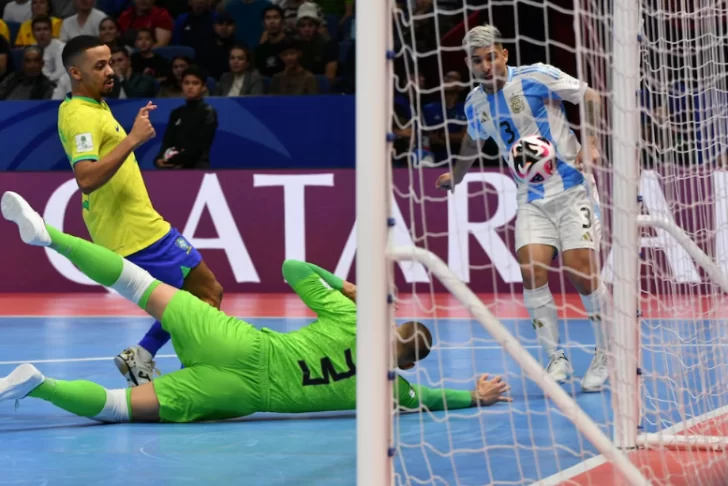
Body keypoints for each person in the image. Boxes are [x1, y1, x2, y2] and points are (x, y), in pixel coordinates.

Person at [0, 191, 512, 423]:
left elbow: (291, 267)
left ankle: (48, 235)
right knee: (118, 408)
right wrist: (476, 395)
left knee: (138, 283)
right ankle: (40, 386)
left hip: (241, 343)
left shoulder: (356, 317)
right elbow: (438, 397)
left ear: (391, 327)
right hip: (240, 393)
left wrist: (346, 286)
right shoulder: (392, 391)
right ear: (405, 363)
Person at [436, 25, 609, 391]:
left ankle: (606, 351)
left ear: (504, 55)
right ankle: (556, 358)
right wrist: (458, 174)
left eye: (491, 57)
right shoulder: (474, 103)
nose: (485, 66)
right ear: (468, 63)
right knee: (532, 269)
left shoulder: (537, 76)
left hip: (573, 187)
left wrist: (590, 143)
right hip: (530, 197)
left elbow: (590, 96)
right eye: (476, 60)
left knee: (580, 271)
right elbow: (473, 138)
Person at [56, 35, 223, 388]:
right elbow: (85, 178)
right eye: (98, 66)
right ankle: (204, 373)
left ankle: (145, 355)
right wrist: (133, 140)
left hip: (138, 227)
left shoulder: (95, 108)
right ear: (75, 73)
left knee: (196, 296)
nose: (110, 70)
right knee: (206, 294)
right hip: (134, 233)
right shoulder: (80, 116)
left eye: (110, 62)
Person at [155, 65, 218, 169]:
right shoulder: (176, 113)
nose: (190, 87)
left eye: (195, 83)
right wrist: (158, 159)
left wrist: (173, 160)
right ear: (181, 85)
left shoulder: (208, 112)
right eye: (186, 83)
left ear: (204, 87)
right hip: (174, 166)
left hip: (197, 167)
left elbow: (199, 148)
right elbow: (167, 141)